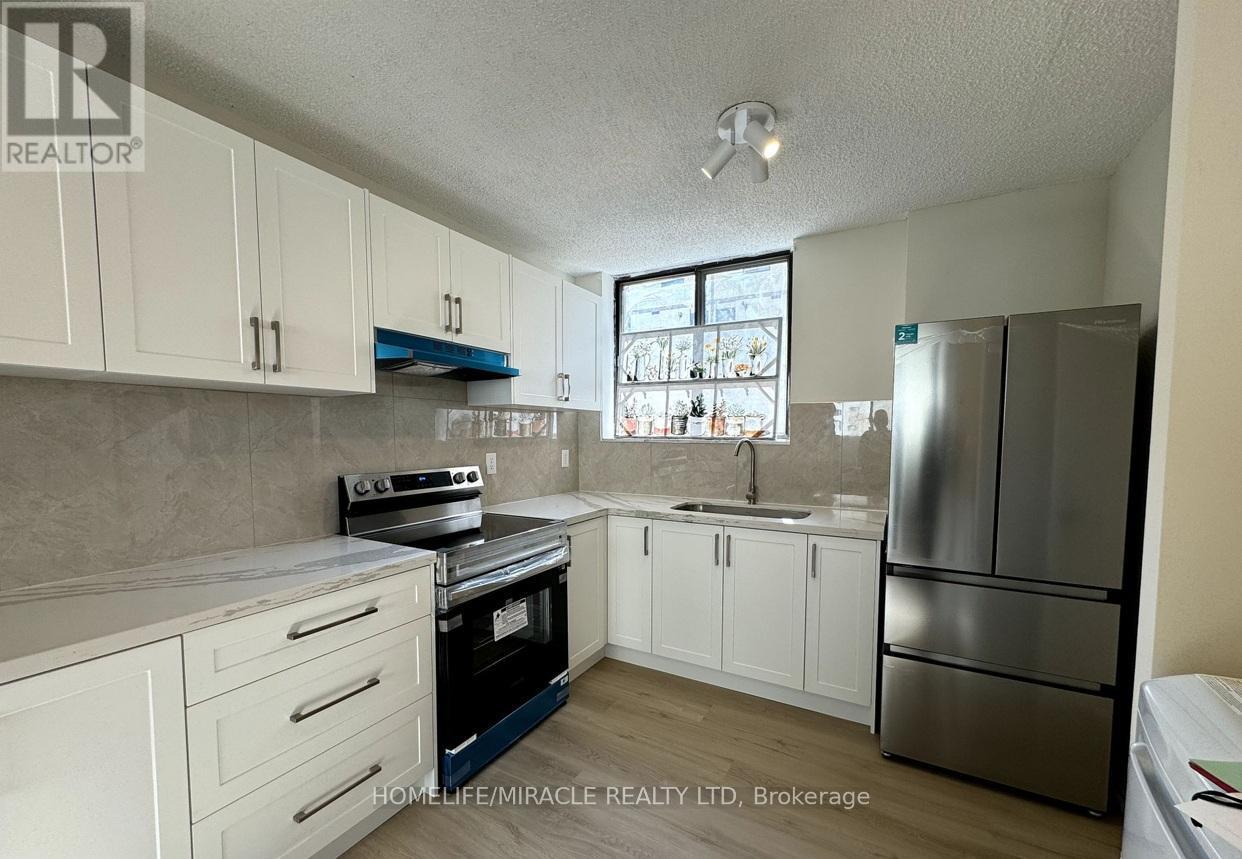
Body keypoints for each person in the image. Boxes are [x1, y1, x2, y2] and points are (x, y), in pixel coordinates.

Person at [859, 409, 892, 498]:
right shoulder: (868, 436)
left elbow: (861, 457)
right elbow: (861, 458)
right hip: (873, 477)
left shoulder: (868, 436)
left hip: (881, 478)